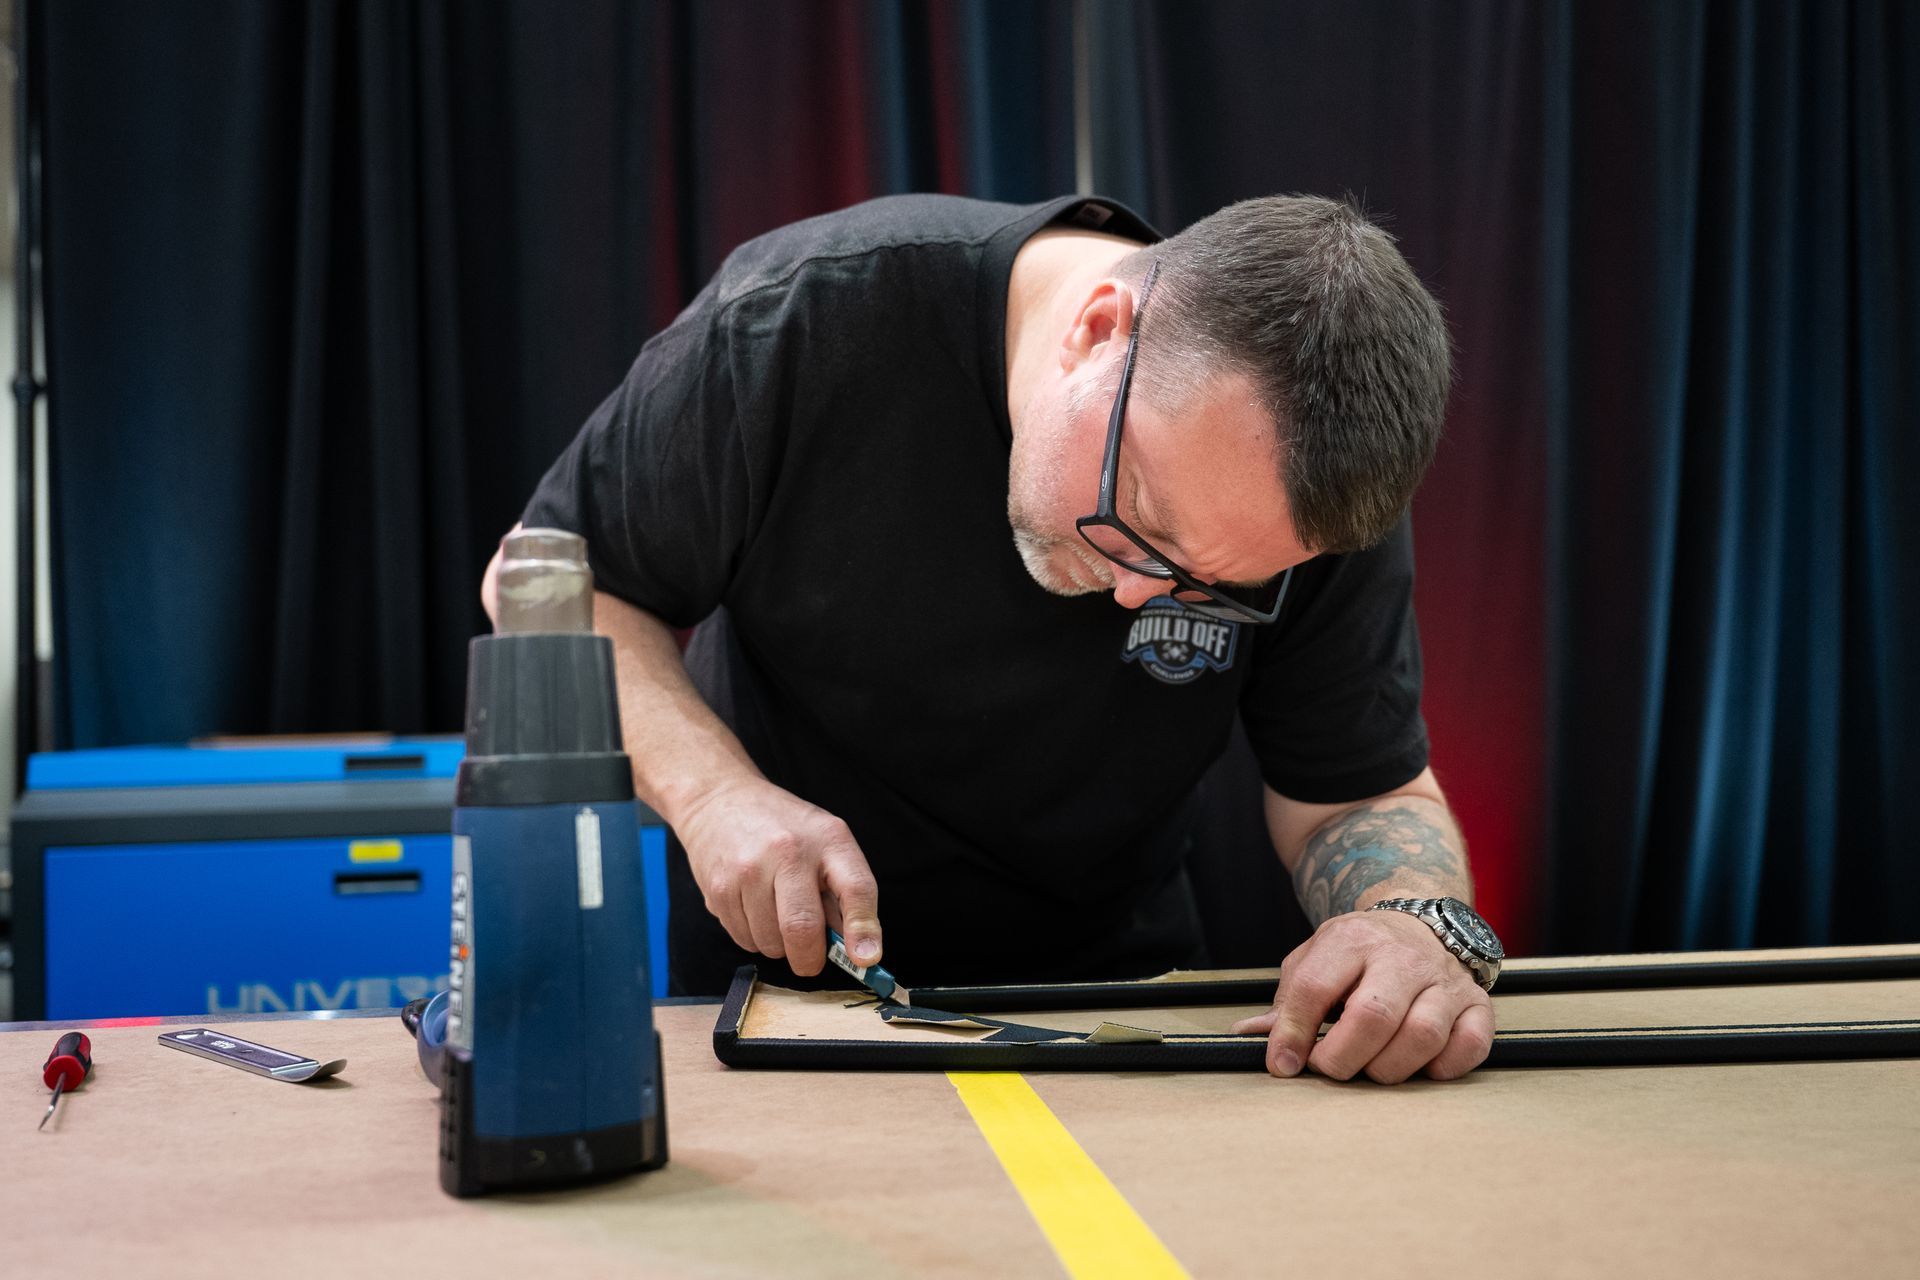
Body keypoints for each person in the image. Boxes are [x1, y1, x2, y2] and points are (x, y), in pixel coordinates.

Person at [484, 192, 1498, 1083]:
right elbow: (544, 583)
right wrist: (713, 796)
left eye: (1211, 583)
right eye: (1137, 510)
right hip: (788, 1001)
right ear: (1098, 329)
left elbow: (1359, 792)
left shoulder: (1307, 495)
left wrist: (1417, 921)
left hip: (1118, 1009)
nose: (1141, 595)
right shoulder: (806, 317)